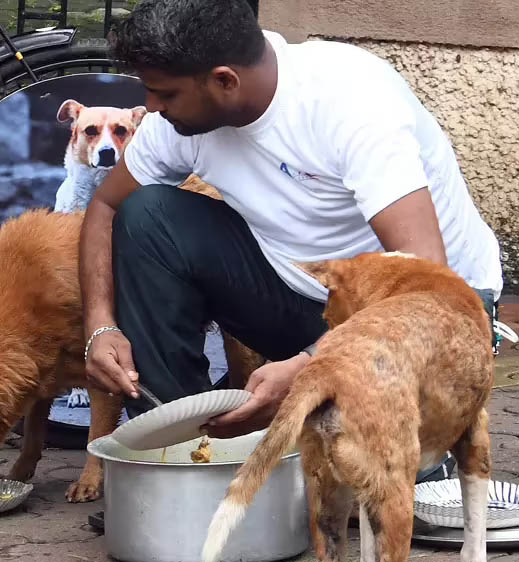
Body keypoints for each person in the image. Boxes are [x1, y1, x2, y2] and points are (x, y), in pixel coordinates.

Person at [80, 0, 503, 483]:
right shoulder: (178, 120)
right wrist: (99, 324)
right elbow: (105, 208)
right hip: (299, 295)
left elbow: (423, 282)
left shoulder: (350, 102)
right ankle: (183, 463)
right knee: (147, 214)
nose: (152, 108)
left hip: (431, 313)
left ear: (224, 81)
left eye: (165, 94)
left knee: (378, 490)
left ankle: (429, 454)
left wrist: (310, 367)